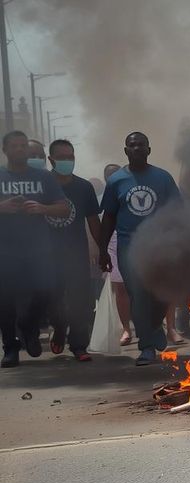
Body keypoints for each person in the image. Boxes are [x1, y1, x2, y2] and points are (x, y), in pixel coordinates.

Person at [98, 132, 182, 366]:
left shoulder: (163, 178)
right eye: (132, 146)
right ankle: (146, 346)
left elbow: (176, 212)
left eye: (141, 145)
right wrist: (103, 250)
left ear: (148, 150)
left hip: (160, 247)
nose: (137, 149)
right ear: (126, 151)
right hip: (129, 248)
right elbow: (109, 217)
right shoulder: (117, 181)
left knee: (162, 292)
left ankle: (155, 326)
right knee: (139, 296)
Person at [0, 131, 70, 368]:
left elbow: (63, 208)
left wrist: (42, 208)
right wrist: (3, 207)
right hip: (6, 249)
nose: (21, 150)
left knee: (45, 291)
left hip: (39, 248)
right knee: (6, 300)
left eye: (23, 146)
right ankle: (10, 348)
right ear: (5, 150)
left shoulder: (43, 177)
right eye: (15, 146)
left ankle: (29, 325)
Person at [45, 139, 102, 362]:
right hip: (47, 256)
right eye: (62, 157)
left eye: (71, 157)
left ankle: (79, 345)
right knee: (54, 302)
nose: (67, 161)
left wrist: (103, 249)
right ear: (51, 160)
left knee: (83, 303)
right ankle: (59, 329)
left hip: (76, 255)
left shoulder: (83, 187)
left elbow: (93, 221)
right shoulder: (43, 185)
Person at [102, 163, 133, 345]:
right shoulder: (104, 198)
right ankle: (126, 329)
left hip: (132, 245)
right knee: (120, 289)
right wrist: (101, 250)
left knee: (140, 290)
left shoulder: (130, 192)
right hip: (113, 246)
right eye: (109, 175)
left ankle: (152, 327)